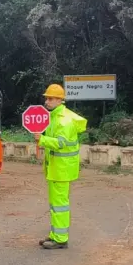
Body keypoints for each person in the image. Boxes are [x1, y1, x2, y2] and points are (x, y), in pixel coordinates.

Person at [36, 84, 87, 249]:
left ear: (59, 100)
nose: (47, 101)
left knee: (60, 205)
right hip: (56, 168)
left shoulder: (64, 120)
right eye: (46, 97)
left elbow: (61, 143)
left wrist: (41, 139)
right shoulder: (54, 116)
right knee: (55, 204)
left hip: (61, 169)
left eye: (50, 98)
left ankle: (60, 238)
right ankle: (55, 234)